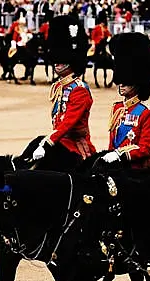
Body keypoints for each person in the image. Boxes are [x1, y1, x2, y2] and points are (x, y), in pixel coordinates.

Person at [32, 15, 95, 168]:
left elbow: (68, 123)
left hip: (75, 147)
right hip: (60, 141)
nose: (57, 63)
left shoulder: (79, 90)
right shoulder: (61, 87)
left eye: (61, 60)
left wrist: (49, 142)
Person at [103, 32, 150, 169]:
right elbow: (113, 143)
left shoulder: (147, 113)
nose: (121, 85)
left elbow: (146, 148)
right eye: (120, 81)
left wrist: (120, 155)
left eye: (126, 82)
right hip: (115, 165)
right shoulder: (117, 109)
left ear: (137, 83)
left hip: (135, 168)